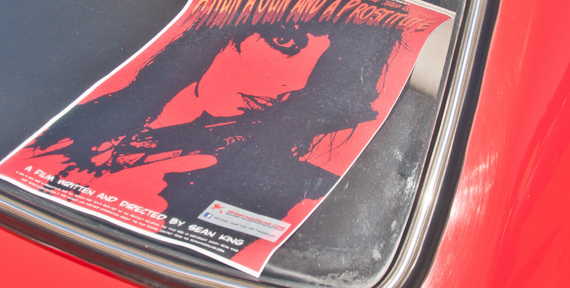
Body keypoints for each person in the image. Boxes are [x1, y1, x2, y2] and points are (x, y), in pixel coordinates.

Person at [23, 14, 407, 227]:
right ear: (221, 35)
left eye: (322, 67)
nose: (296, 83)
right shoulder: (65, 115)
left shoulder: (291, 189)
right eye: (285, 42)